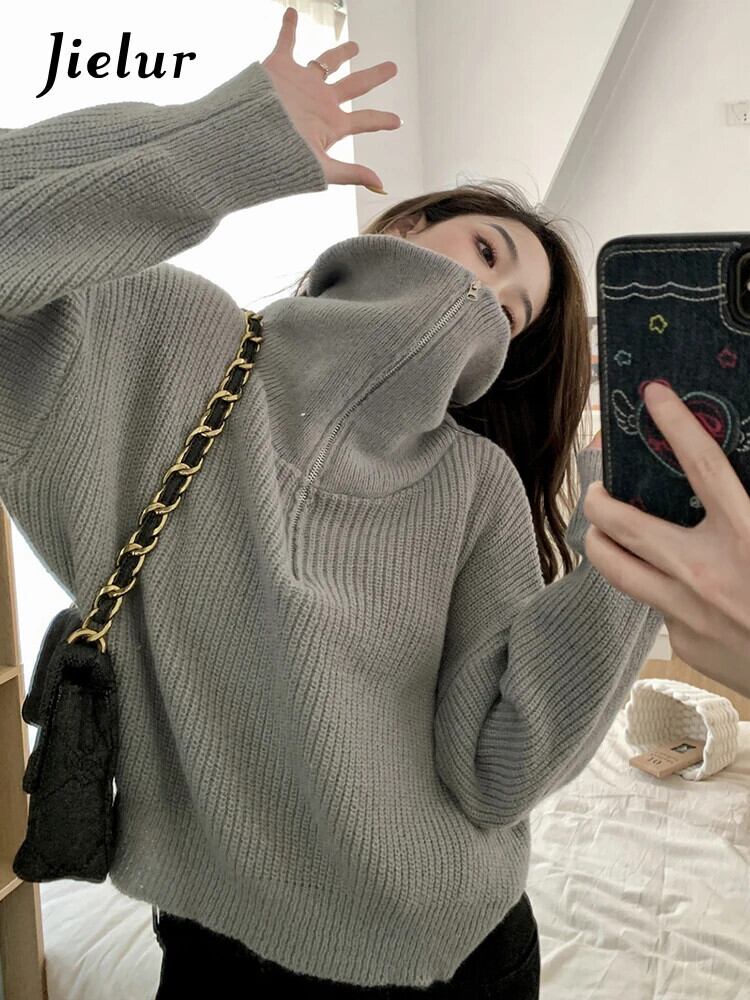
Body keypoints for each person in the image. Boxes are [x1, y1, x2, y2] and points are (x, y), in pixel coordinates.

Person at [0, 5, 741, 998]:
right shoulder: (165, 345)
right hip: (223, 957)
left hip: (463, 960)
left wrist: (633, 553)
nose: (485, 305)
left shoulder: (473, 485)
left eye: (513, 315)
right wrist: (226, 141)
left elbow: (493, 772)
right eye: (487, 253)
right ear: (402, 227)